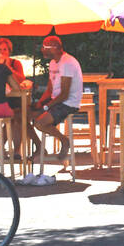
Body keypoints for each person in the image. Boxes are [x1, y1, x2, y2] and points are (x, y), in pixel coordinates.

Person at [28, 35, 83, 165]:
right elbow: (50, 89)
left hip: (68, 103)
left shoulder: (68, 62)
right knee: (24, 117)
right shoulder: (53, 63)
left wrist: (45, 107)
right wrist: (40, 103)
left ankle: (64, 141)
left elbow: (64, 94)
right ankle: (39, 147)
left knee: (40, 123)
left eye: (44, 47)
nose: (42, 50)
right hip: (56, 101)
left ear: (54, 47)